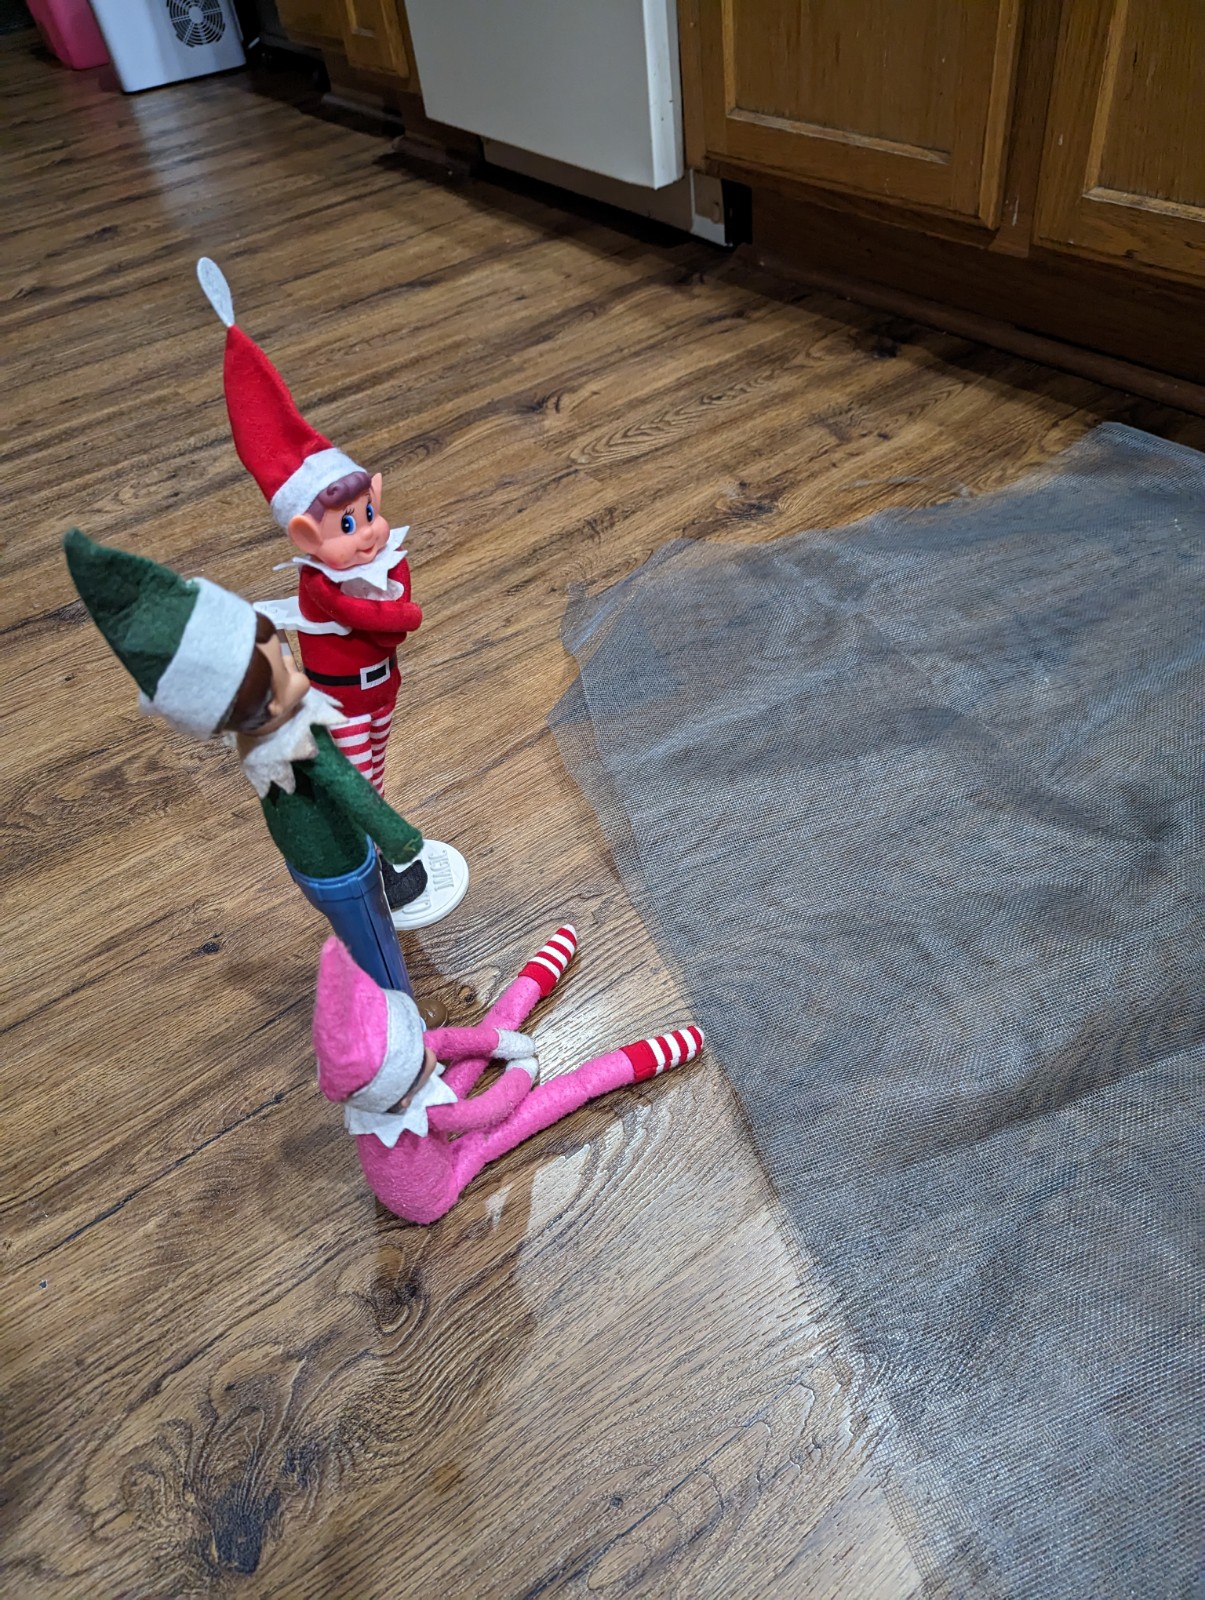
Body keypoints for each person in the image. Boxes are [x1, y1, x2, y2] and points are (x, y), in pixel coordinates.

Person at [195, 256, 468, 930]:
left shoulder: (383, 555)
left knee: (378, 763)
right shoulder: (320, 587)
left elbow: (394, 601)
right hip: (340, 698)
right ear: (304, 535)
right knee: (358, 782)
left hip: (382, 688)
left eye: (368, 513)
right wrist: (403, 613)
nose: (369, 533)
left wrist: (397, 609)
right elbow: (386, 619)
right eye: (348, 525)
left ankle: (376, 860)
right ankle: (372, 867)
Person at [63, 529, 430, 999]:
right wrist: (400, 840)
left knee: (353, 935)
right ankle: (400, 1014)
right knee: (374, 941)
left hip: (303, 865)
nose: (300, 680)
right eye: (282, 677)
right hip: (342, 864)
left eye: (284, 658)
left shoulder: (249, 744)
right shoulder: (301, 739)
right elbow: (353, 791)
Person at [313, 922, 705, 1224]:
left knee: (477, 1048)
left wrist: (500, 1042)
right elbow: (490, 1110)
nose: (427, 1047)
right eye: (419, 1058)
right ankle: (630, 1063)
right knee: (534, 1110)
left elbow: (442, 1041)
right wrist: (522, 1072)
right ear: (401, 1095)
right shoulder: (424, 1108)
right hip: (433, 1192)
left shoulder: (380, 1076)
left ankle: (535, 980)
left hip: (418, 1132)